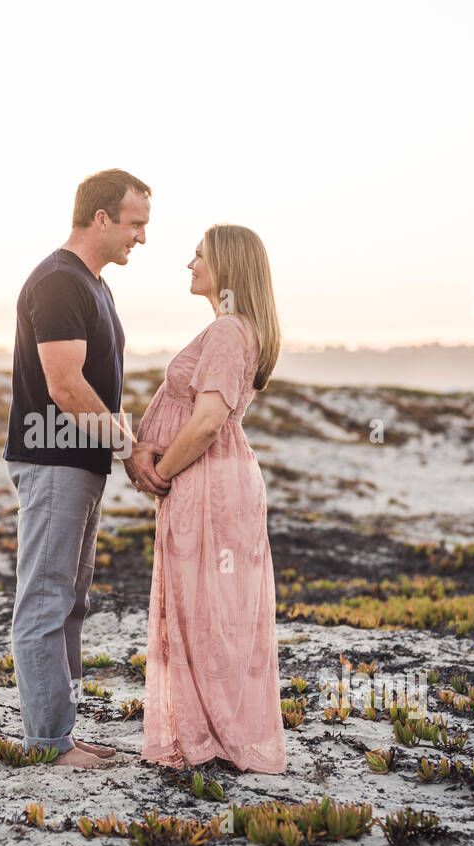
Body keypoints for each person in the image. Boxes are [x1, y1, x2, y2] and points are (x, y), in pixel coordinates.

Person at [3, 169, 166, 769]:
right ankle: (48, 743)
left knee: (72, 602)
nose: (141, 239)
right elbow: (68, 388)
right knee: (45, 601)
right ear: (101, 218)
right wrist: (128, 449)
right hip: (52, 462)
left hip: (80, 464)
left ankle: (62, 733)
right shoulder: (58, 283)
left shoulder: (94, 285)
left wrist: (124, 445)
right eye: (135, 224)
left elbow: (98, 388)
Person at [132, 224, 287, 774]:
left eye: (199, 254)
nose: (190, 263)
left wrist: (160, 473)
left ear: (226, 266)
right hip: (218, 479)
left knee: (207, 609)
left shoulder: (227, 333)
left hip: (207, 481)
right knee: (213, 608)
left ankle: (215, 737)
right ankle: (216, 734)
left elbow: (205, 423)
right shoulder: (235, 330)